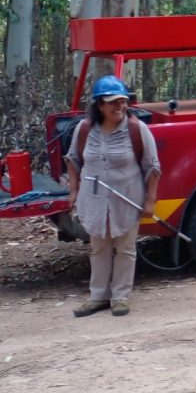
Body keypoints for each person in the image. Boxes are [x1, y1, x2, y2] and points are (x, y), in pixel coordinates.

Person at [65, 76, 161, 317]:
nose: (119, 107)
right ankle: (98, 296)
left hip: (127, 198)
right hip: (94, 200)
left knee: (125, 249)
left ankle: (120, 297)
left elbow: (153, 167)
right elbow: (73, 160)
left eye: (122, 101)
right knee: (99, 248)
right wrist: (74, 191)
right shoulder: (85, 129)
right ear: (99, 105)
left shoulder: (137, 129)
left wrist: (150, 201)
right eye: (112, 102)